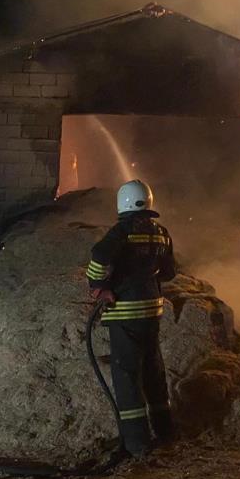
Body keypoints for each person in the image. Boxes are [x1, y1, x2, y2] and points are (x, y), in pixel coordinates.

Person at [86, 179, 177, 457]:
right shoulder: (161, 233)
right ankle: (165, 430)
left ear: (122, 203)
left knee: (127, 375)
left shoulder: (124, 230)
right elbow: (169, 272)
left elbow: (99, 255)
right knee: (153, 370)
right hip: (152, 311)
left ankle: (137, 442)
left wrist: (98, 286)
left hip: (125, 312)